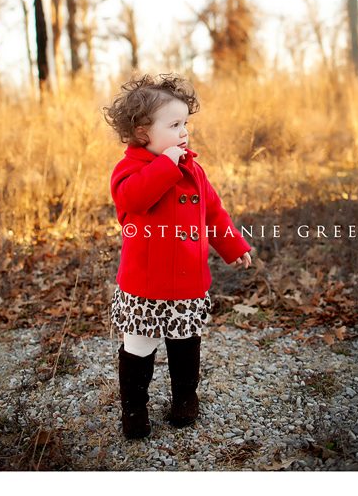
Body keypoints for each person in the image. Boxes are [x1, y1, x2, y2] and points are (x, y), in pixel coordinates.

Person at [102, 73, 253, 439]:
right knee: (139, 346)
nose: (184, 131)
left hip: (187, 280)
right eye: (174, 124)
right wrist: (167, 165)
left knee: (186, 343)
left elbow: (213, 213)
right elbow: (133, 199)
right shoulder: (130, 170)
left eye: (186, 123)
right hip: (144, 284)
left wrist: (233, 246)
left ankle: (185, 397)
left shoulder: (193, 171)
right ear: (143, 133)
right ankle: (134, 409)